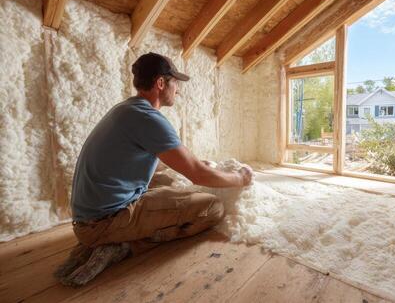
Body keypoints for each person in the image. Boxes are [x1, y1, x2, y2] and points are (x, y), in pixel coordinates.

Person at [55, 52, 253, 286]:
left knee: (171, 183)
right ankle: (122, 247)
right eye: (175, 82)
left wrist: (196, 164)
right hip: (102, 223)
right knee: (212, 208)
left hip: (89, 217)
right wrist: (240, 177)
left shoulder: (126, 110)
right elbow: (198, 175)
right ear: (161, 83)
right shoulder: (149, 118)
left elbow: (153, 161)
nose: (177, 89)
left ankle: (112, 238)